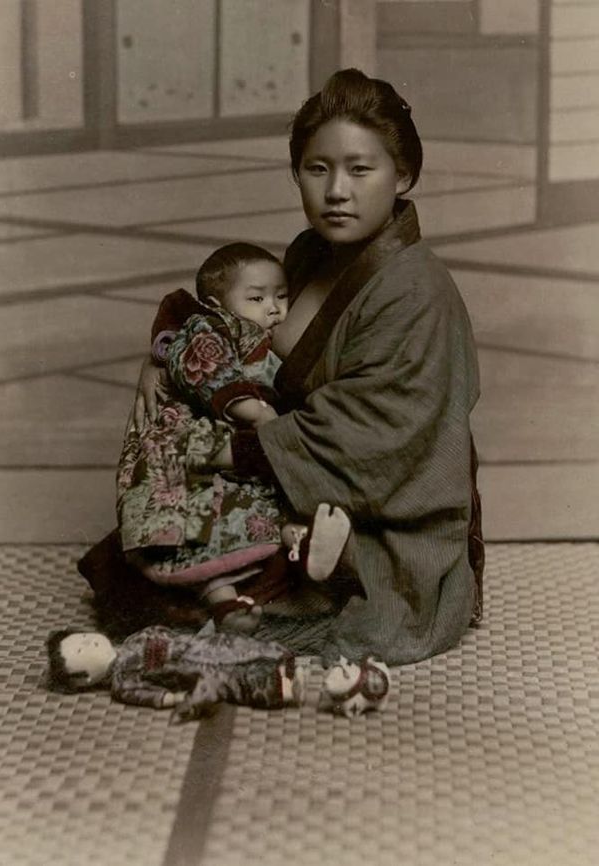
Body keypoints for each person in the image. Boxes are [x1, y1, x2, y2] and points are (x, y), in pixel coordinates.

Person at [82, 68, 484, 665]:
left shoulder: (415, 289)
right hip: (292, 472)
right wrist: (161, 361)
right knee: (151, 554)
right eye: (317, 169)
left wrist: (232, 454)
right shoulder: (306, 253)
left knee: (216, 591)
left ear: (404, 176)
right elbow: (227, 330)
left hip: (378, 509)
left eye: (360, 169)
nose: (337, 191)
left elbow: (379, 433)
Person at [117, 242, 351, 633]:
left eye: (281, 296)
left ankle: (286, 554)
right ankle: (234, 596)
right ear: (218, 303)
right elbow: (207, 368)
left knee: (254, 505)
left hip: (230, 448)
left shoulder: (261, 338)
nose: (274, 308)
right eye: (257, 298)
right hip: (188, 452)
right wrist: (253, 410)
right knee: (202, 522)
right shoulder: (209, 327)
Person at [46, 626, 306, 719]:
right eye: (80, 651)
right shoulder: (122, 683)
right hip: (187, 672)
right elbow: (151, 696)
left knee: (235, 647)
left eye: (82, 636)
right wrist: (175, 699)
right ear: (86, 679)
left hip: (195, 645)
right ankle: (282, 687)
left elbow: (162, 632)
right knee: (230, 679)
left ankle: (280, 659)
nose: (87, 642)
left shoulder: (132, 640)